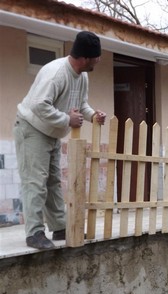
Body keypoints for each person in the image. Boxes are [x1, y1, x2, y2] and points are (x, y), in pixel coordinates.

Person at [13, 31, 107, 250]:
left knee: (53, 181)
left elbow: (81, 104)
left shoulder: (82, 76)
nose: (98, 61)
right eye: (96, 57)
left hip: (52, 132)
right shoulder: (55, 73)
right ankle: (34, 232)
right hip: (32, 128)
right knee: (36, 180)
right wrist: (67, 119)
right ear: (84, 58)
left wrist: (92, 115)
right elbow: (39, 105)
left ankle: (59, 226)